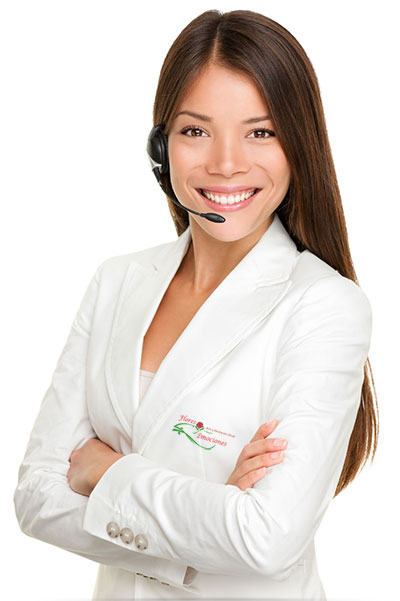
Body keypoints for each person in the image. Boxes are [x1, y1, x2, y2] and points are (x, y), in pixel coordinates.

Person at [13, 9, 378, 600]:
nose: (226, 163)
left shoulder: (325, 306)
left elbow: (266, 538)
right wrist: (208, 518)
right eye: (196, 131)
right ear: (161, 147)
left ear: (298, 145)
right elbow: (35, 497)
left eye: (261, 132)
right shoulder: (117, 281)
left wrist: (107, 472)